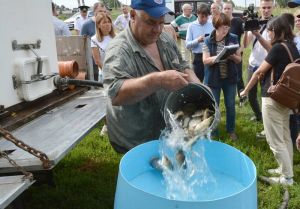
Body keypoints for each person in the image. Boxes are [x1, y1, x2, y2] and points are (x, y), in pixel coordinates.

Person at [103, 0, 200, 153]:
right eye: (150, 22)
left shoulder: (164, 38)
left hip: (164, 130)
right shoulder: (119, 49)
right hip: (137, 139)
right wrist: (158, 80)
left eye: (161, 22)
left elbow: (181, 63)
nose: (157, 29)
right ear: (133, 15)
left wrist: (196, 83)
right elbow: (115, 93)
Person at [240, 15, 300, 185]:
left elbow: (259, 72)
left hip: (272, 98)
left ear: (277, 31)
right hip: (286, 99)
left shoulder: (277, 49)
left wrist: (245, 90)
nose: (269, 34)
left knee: (274, 140)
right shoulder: (292, 47)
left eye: (271, 31)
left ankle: (286, 178)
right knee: (285, 135)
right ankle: (284, 169)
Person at [202, 13, 241, 140]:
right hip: (213, 78)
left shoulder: (233, 38)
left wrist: (231, 56)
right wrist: (219, 57)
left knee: (230, 105)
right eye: (224, 27)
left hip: (229, 78)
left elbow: (239, 59)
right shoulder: (208, 40)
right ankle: (213, 132)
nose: (226, 29)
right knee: (214, 106)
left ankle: (231, 130)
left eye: (228, 27)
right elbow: (205, 60)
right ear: (216, 26)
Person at [243, 0, 274, 124]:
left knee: (267, 97)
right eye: (263, 7)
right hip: (253, 65)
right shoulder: (255, 23)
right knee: (251, 96)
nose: (266, 10)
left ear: (273, 7)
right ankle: (259, 116)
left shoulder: (275, 24)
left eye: (268, 7)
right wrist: (246, 28)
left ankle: (268, 122)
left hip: (267, 66)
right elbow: (245, 45)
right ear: (259, 8)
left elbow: (271, 49)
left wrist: (258, 35)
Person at [222, 1, 245, 106]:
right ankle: (230, 98)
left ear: (232, 9)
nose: (227, 10)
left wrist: (242, 48)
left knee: (238, 75)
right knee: (227, 75)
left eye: (228, 8)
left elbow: (245, 35)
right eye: (225, 8)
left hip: (236, 53)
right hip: (223, 53)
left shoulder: (238, 21)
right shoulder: (220, 21)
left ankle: (242, 97)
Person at [186, 3, 214, 82]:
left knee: (211, 81)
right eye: (202, 16)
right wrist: (197, 40)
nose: (204, 19)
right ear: (197, 14)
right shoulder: (191, 26)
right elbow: (187, 45)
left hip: (210, 55)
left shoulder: (212, 25)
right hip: (198, 57)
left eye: (206, 16)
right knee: (198, 81)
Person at [81, 2, 107, 81]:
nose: (103, 14)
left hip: (107, 60)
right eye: (100, 11)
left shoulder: (107, 23)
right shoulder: (86, 25)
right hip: (93, 63)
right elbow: (82, 44)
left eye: (104, 11)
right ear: (94, 11)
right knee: (96, 85)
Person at [91, 13, 115, 82]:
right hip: (105, 76)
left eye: (109, 22)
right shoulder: (94, 39)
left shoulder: (117, 36)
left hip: (119, 74)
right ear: (98, 25)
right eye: (104, 22)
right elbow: (97, 61)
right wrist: (108, 73)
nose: (107, 24)